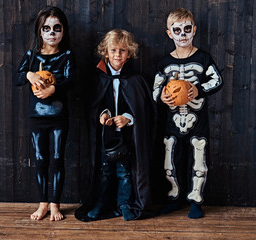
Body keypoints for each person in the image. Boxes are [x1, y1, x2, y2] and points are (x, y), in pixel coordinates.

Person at [75, 29, 155, 221]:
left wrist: (128, 117)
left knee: (125, 172)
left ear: (129, 54)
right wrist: (103, 114)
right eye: (113, 50)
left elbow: (144, 110)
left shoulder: (136, 80)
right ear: (106, 52)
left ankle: (124, 204)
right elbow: (93, 104)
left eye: (122, 50)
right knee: (104, 172)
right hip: (105, 137)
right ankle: (101, 204)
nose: (117, 55)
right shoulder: (98, 78)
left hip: (127, 137)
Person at [152, 8, 223, 218]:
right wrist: (161, 98)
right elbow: (155, 88)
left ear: (194, 30)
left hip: (197, 119)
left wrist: (198, 89)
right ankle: (174, 197)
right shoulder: (165, 62)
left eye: (187, 29)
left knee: (198, 158)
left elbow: (217, 80)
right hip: (172, 119)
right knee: (170, 158)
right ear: (169, 33)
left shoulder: (202, 58)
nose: (182, 34)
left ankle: (195, 200)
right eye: (177, 30)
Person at [14, 6, 75, 221]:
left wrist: (54, 89)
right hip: (36, 118)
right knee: (40, 160)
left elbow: (72, 80)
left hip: (59, 117)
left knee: (57, 159)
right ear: (39, 31)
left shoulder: (67, 55)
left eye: (56, 28)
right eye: (46, 28)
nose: (51, 32)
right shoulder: (31, 56)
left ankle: (56, 205)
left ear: (63, 31)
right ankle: (43, 204)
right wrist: (29, 74)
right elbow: (17, 77)